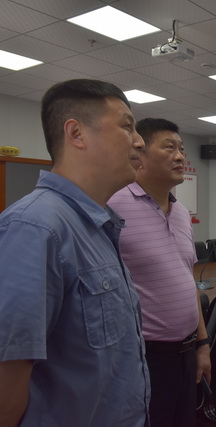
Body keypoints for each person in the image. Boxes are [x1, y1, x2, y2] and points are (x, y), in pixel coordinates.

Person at [0, 79, 149, 426]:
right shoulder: (36, 228)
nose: (139, 141)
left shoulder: (98, 226)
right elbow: (6, 390)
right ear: (76, 134)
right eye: (127, 126)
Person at [108, 118, 211, 427]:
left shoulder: (180, 213)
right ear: (140, 152)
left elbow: (187, 280)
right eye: (169, 147)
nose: (180, 156)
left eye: (181, 149)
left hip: (186, 351)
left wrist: (202, 344)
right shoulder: (113, 205)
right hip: (143, 355)